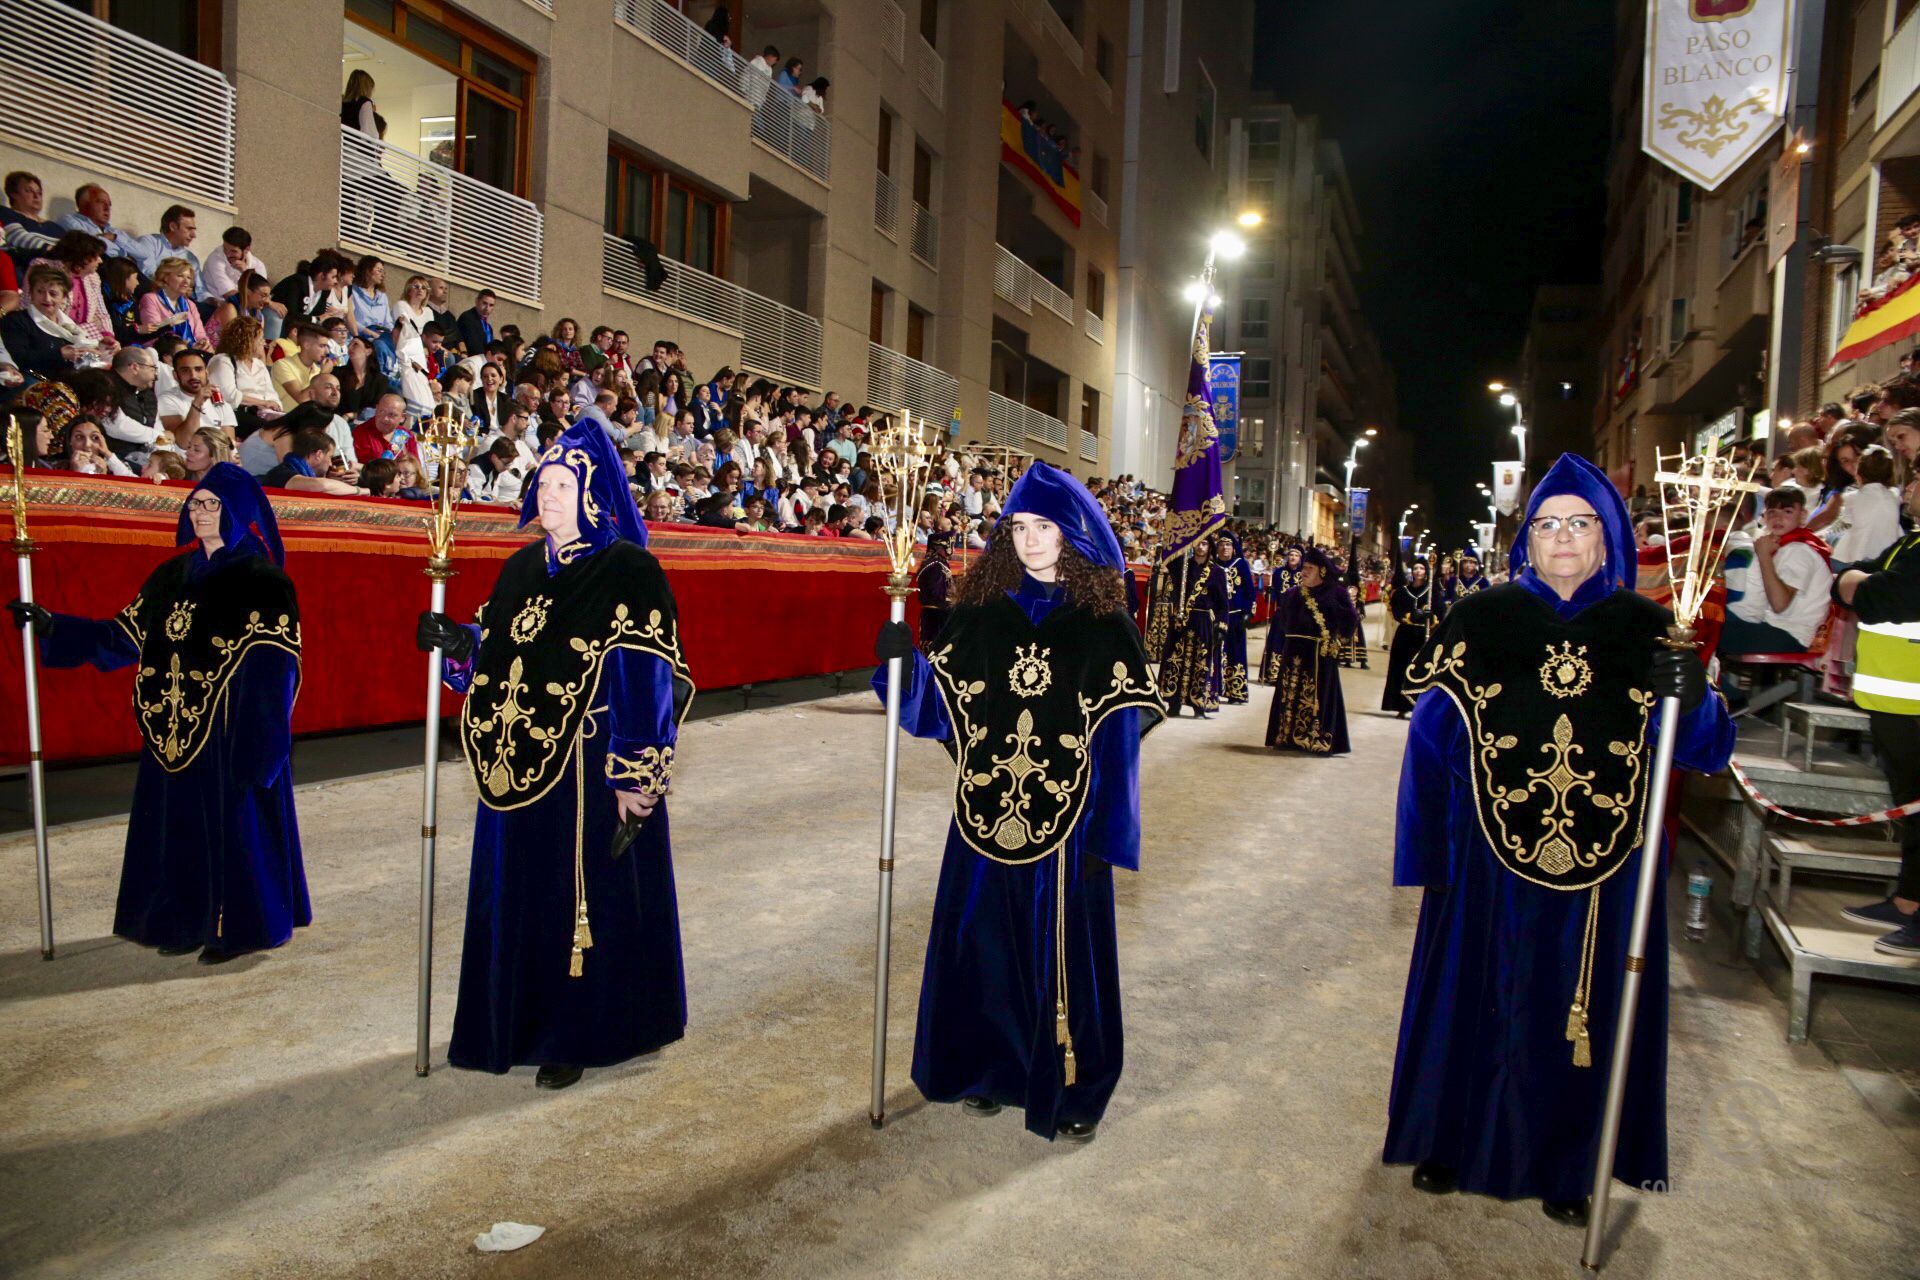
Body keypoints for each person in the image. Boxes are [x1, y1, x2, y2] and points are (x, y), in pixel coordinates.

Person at [1382, 453, 1734, 1225]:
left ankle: (1572, 1165)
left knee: (1580, 1009)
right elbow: (1432, 745)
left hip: (1611, 861)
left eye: (1579, 524)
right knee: (1474, 992)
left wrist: (1694, 694)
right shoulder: (1482, 617)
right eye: (1547, 525)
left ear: (1607, 540)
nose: (1563, 538)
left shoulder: (1651, 630)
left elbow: (1706, 751)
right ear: (1526, 541)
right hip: (1485, 856)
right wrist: (1429, 856)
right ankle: (1452, 1140)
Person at [872, 461, 1165, 1141]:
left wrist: (1107, 833)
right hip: (982, 814)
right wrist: (901, 665)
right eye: (1020, 528)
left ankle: (1072, 1087)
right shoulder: (981, 615)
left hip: (1068, 823)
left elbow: (1120, 742)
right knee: (986, 944)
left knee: (1060, 953)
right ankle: (987, 1069)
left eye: (1045, 527)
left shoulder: (1104, 624)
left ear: (1074, 534)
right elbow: (937, 711)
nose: (1031, 540)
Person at [416, 421, 696, 1089]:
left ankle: (575, 1032)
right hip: (514, 765)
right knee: (520, 893)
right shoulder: (520, 568)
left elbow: (645, 674)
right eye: (543, 484)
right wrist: (457, 644)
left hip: (587, 768)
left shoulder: (627, 568)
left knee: (582, 898)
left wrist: (637, 774)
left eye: (564, 485)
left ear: (594, 494)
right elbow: (497, 650)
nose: (549, 496)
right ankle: (514, 1018)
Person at [8, 464, 308, 963]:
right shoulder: (172, 574)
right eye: (196, 503)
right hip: (171, 723)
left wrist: (261, 746)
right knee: (179, 827)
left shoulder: (263, 582)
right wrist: (54, 626)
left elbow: (277, 669)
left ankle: (236, 930)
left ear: (239, 511)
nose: (201, 513)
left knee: (233, 827)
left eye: (213, 504)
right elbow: (123, 637)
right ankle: (185, 919)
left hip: (228, 729)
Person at [1834, 473, 1920, 957]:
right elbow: (1845, 580)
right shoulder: (1908, 545)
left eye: (1918, 480)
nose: (1907, 489)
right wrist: (1856, 581)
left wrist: (1859, 584)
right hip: (1898, 702)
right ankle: (1909, 901)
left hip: (1914, 702)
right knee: (1911, 808)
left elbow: (1879, 596)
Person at [1718, 487, 1833, 659]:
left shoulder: (1800, 550)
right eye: (1772, 512)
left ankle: (1720, 686)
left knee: (1701, 632)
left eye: (1787, 511)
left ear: (1803, 515)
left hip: (1786, 634)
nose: (1778, 518)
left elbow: (1780, 604)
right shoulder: (1784, 545)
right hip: (1772, 627)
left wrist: (1763, 556)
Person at [1263, 545, 1356, 755]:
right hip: (1293, 651)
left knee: (1317, 697)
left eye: (1310, 567)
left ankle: (1313, 738)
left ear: (1322, 571)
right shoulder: (1292, 594)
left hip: (1319, 654)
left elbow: (1350, 622)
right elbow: (1284, 622)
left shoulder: (1336, 593)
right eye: (1303, 567)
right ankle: (1287, 736)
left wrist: (1335, 641)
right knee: (1289, 693)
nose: (1304, 571)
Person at [1155, 541, 1229, 718]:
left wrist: (1221, 626)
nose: (1201, 547)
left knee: (1200, 663)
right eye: (1198, 543)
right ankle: (1173, 703)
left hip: (1203, 622)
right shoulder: (1182, 566)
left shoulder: (1217, 572)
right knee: (1176, 660)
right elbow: (1168, 557)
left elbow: (1223, 604)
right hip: (1181, 621)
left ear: (1210, 547)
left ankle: (1199, 705)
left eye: (1204, 543)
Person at [1381, 557, 1435, 718]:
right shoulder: (1403, 592)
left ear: (1426, 572)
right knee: (1401, 669)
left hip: (1422, 636)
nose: (1418, 571)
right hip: (1405, 635)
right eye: (1416, 568)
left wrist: (1430, 617)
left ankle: (1418, 706)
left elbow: (1439, 612)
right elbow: (1397, 612)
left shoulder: (1432, 592)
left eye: (1422, 568)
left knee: (1420, 670)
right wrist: (1413, 615)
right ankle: (1400, 705)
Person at [1213, 531, 1256, 704]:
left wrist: (1248, 612)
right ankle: (1215, 689)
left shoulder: (1241, 564)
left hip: (1236, 616)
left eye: (1228, 545)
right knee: (1216, 653)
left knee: (1236, 652)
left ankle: (1236, 691)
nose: (1225, 548)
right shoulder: (1213, 565)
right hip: (1217, 616)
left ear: (1234, 548)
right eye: (1221, 545)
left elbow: (1249, 591)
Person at [1257, 543, 1305, 683]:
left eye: (1296, 555)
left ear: (1301, 558)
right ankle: (1273, 674)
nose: (1293, 557)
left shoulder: (1304, 573)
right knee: (1277, 642)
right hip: (1281, 613)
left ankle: (1292, 675)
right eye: (1291, 555)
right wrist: (1269, 593)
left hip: (1298, 615)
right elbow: (1271, 598)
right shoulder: (1278, 573)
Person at [916, 529, 954, 643]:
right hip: (936, 616)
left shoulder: (938, 563)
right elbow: (937, 594)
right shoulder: (936, 565)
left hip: (936, 614)